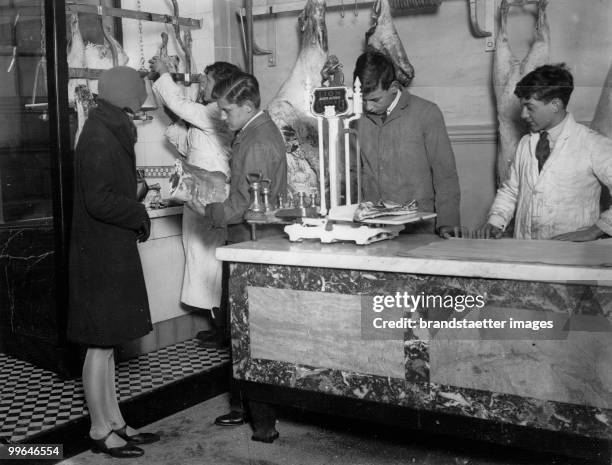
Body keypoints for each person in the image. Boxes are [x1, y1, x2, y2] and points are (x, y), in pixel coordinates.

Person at [67, 66, 160, 458]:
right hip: (101, 256)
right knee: (100, 346)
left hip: (108, 250)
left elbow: (106, 190)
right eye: (138, 99)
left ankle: (116, 421)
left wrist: (132, 194)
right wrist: (137, 212)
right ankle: (99, 429)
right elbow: (99, 200)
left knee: (108, 346)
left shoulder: (107, 126)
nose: (141, 107)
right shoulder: (101, 135)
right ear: (127, 98)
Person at [210, 72, 287, 442]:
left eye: (226, 111)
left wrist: (207, 210)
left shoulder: (257, 140)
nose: (223, 118)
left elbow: (245, 203)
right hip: (253, 239)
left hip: (252, 240)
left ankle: (262, 424)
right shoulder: (255, 132)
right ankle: (248, 411)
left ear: (247, 106)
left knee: (250, 332)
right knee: (249, 331)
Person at [150, 60, 241, 348]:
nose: (201, 85)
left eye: (206, 81)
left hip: (212, 195)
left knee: (213, 265)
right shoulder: (208, 115)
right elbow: (184, 136)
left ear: (222, 86)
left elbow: (180, 106)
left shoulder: (215, 112)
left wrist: (164, 72)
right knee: (204, 264)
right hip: (200, 195)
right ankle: (220, 326)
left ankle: (226, 329)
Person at [477, 63, 612, 241]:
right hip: (526, 248)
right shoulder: (526, 143)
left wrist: (595, 231)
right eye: (522, 107)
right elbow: (511, 189)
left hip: (573, 254)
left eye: (530, 107)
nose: (524, 115)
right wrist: (495, 221)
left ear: (555, 105)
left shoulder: (593, 144)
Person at [352, 50, 461, 237]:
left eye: (375, 99)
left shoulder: (426, 113)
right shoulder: (356, 119)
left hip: (419, 229)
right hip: (371, 230)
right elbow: (351, 172)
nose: (367, 107)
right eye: (363, 100)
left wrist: (447, 222)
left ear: (394, 87)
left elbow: (445, 175)